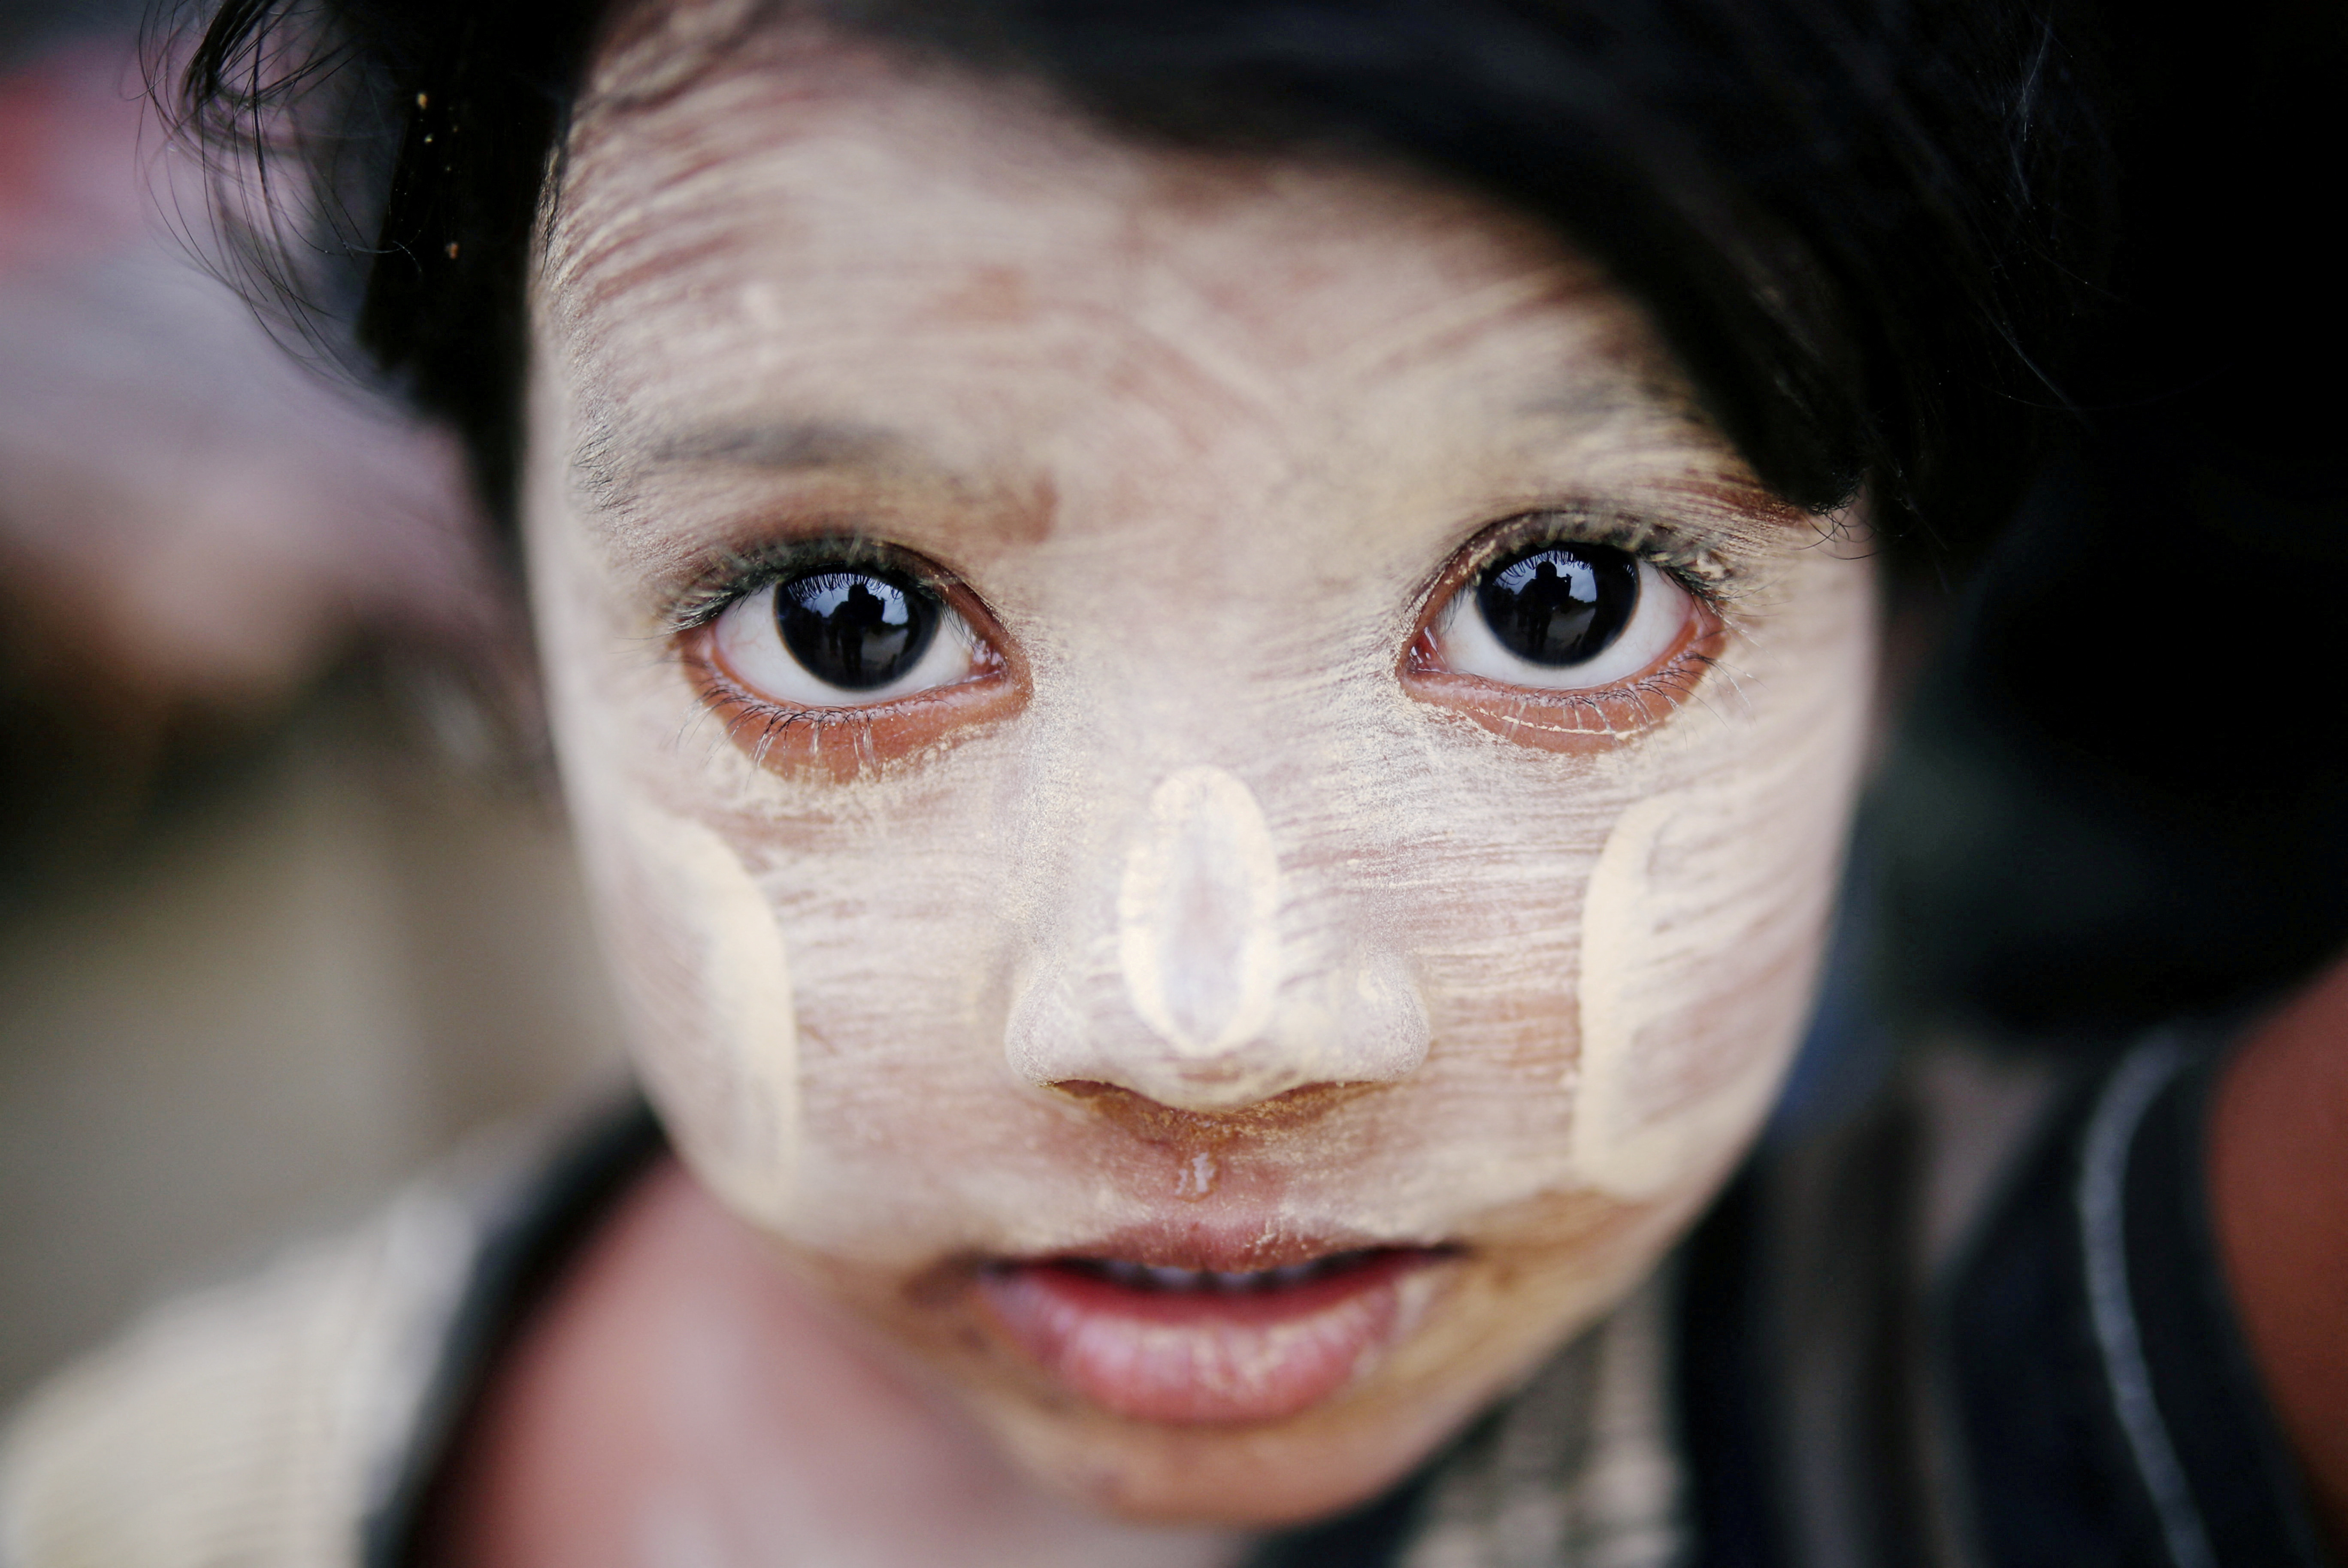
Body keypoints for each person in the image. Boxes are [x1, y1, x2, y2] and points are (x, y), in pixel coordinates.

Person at [0, 1, 2336, 1565]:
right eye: (852, 621)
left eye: (1559, 601)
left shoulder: (1965, 1417)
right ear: (514, 621)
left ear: (1892, 645)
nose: (1207, 1021)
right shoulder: (136, 1500)